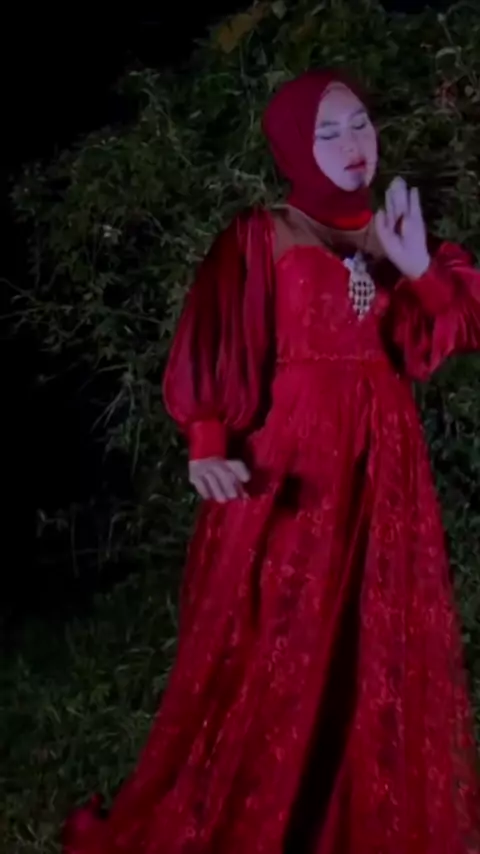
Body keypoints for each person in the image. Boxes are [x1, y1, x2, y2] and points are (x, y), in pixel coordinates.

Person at [64, 69, 480, 854]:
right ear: (293, 145)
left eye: (360, 124)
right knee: (277, 640)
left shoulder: (398, 232)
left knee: (371, 642)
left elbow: (456, 327)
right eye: (328, 133)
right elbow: (216, 338)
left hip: (384, 470)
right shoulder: (262, 234)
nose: (353, 145)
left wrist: (417, 265)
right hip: (294, 469)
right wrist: (207, 446)